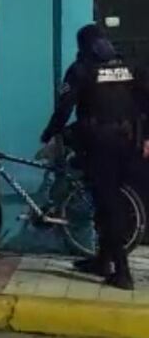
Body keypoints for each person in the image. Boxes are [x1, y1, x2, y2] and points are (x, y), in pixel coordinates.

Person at [40, 24, 141, 290]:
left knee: (108, 205)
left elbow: (64, 108)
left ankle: (122, 272)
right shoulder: (125, 65)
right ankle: (102, 260)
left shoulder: (81, 68)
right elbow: (144, 101)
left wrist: (49, 133)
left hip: (100, 142)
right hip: (127, 141)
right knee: (109, 199)